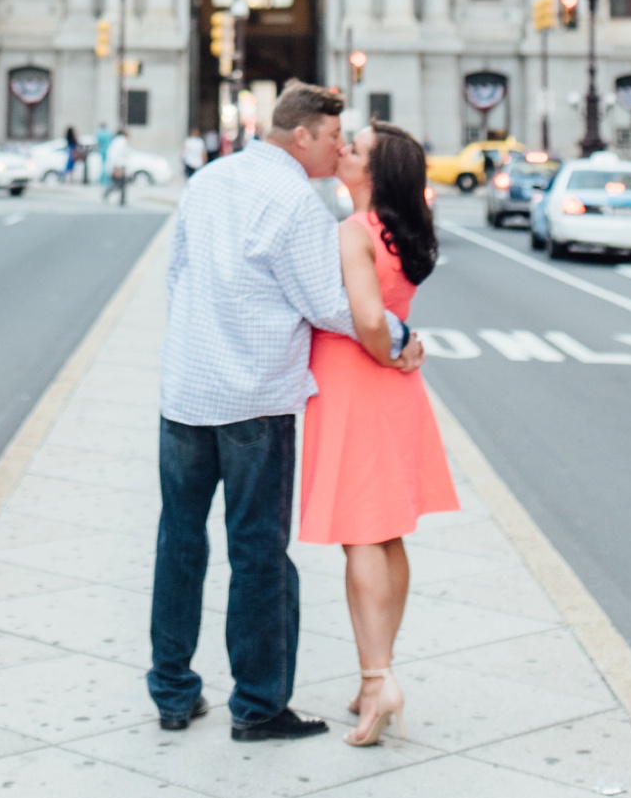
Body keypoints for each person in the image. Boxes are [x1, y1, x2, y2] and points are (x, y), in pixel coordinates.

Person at [147, 82, 424, 744]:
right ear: (303, 136)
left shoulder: (209, 179)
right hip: (256, 401)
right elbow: (331, 304)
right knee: (259, 554)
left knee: (179, 543)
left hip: (186, 391)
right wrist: (399, 334)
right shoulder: (297, 202)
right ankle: (259, 704)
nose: (338, 149)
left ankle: (173, 689)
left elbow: (177, 273)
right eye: (334, 138)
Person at [299, 122, 458, 745]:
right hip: (394, 393)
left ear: (375, 172)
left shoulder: (354, 232)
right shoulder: (400, 234)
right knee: (387, 533)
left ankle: (377, 675)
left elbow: (367, 319)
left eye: (355, 148)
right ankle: (376, 675)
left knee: (360, 534)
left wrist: (389, 351)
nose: (343, 149)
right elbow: (390, 313)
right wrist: (402, 350)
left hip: (357, 383)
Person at [104, 124, 131, 204]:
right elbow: (117, 155)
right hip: (118, 166)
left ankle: (117, 196)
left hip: (117, 165)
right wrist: (117, 167)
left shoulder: (117, 140)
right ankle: (119, 198)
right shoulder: (121, 141)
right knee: (121, 182)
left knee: (120, 182)